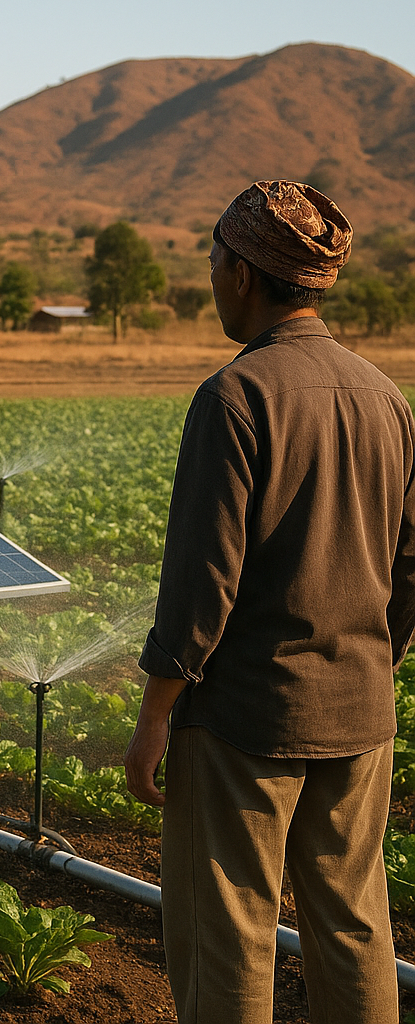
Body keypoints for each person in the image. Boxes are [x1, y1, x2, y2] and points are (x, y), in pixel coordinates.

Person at [124, 180, 415, 1024]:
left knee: (230, 934)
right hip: (361, 711)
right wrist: (369, 655)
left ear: (246, 274)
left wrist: (153, 720)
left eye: (216, 258)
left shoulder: (235, 397)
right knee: (355, 927)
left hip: (246, 719)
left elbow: (200, 587)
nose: (212, 275)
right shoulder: (385, 398)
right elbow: (413, 563)